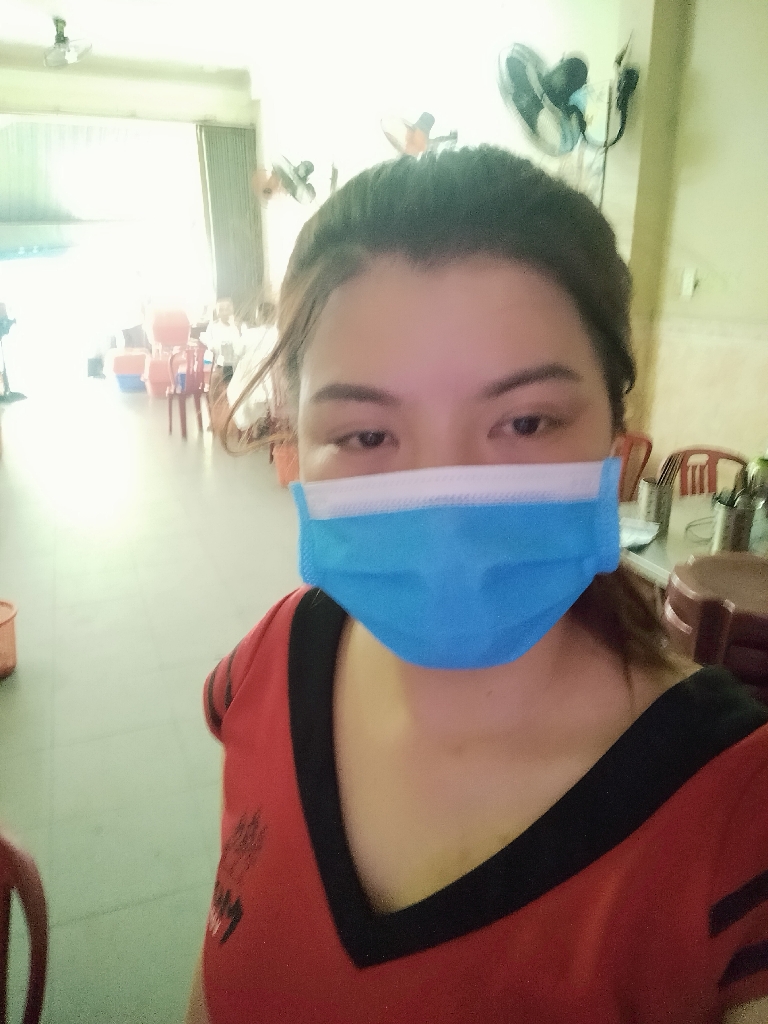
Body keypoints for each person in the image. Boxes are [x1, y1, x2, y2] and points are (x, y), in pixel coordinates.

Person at [185, 146, 768, 1024]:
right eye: (367, 435)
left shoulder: (736, 815)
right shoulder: (266, 666)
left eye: (525, 422)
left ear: (617, 450)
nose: (447, 506)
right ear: (295, 450)